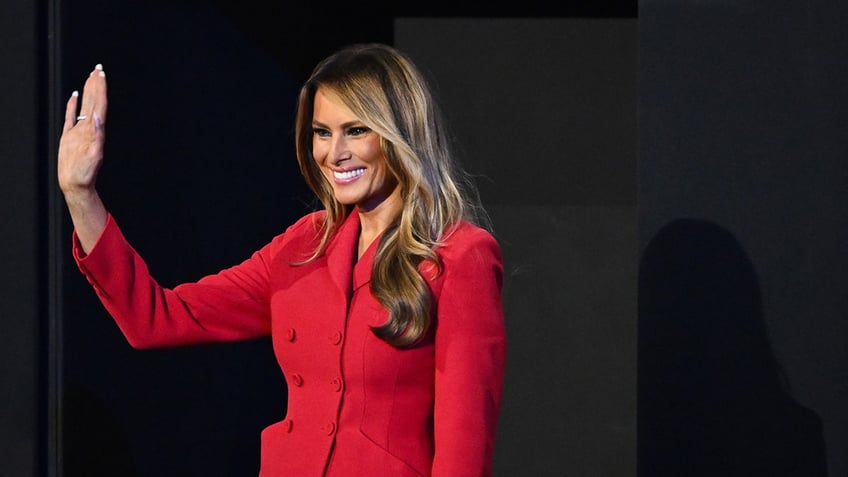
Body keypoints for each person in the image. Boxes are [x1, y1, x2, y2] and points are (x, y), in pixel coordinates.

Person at [57, 43, 507, 476]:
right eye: (322, 132)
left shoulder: (459, 256)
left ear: (399, 134)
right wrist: (81, 196)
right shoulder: (302, 247)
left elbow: (463, 449)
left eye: (356, 130)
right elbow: (156, 318)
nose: (335, 153)